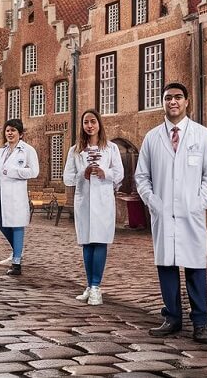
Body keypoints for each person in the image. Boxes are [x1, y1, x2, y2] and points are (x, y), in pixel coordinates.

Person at [135, 82, 207, 342]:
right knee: (167, 266)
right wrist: (153, 202)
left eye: (178, 97)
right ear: (163, 102)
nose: (173, 101)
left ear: (186, 102)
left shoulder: (203, 136)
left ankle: (201, 323)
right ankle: (171, 317)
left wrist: (199, 202)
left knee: (196, 267)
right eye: (168, 98)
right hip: (163, 212)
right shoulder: (152, 137)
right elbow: (141, 176)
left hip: (191, 211)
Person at [63, 109, 123, 306]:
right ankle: (89, 285)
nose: (89, 125)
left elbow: (120, 174)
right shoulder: (75, 150)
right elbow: (68, 178)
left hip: (104, 200)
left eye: (93, 122)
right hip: (85, 201)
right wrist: (83, 173)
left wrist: (104, 171)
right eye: (86, 122)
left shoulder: (111, 148)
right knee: (87, 242)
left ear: (99, 124)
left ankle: (97, 286)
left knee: (100, 241)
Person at [0, 119, 39, 276]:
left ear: (20, 134)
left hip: (16, 194)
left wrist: (14, 171)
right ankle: (17, 251)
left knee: (17, 225)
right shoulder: (0, 152)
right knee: (0, 221)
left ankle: (16, 263)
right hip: (0, 192)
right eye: (8, 130)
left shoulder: (27, 150)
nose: (10, 133)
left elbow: (34, 172)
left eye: (13, 130)